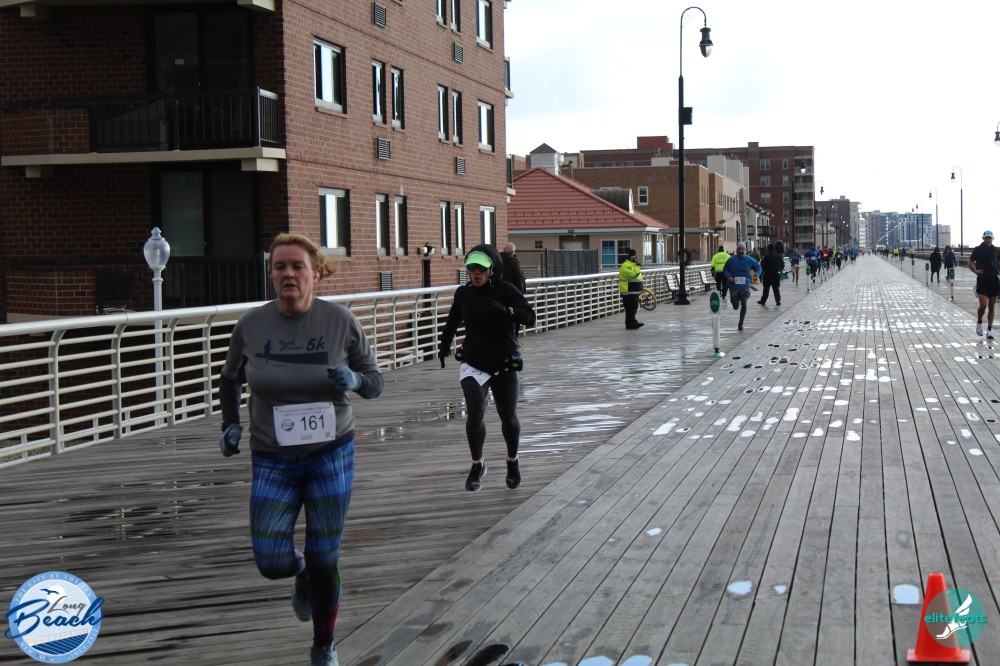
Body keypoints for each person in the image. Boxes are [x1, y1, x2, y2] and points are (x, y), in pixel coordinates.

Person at [218, 233, 385, 666]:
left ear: (316, 274)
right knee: (271, 559)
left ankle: (323, 643)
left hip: (331, 451)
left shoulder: (340, 321)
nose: (288, 274)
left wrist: (355, 380)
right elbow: (230, 379)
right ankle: (301, 571)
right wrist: (231, 424)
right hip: (272, 455)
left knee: (325, 555)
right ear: (271, 274)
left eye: (297, 266)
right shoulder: (251, 325)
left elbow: (375, 383)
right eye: (280, 267)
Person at [438, 246, 536, 492]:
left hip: (503, 361)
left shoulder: (506, 290)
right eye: (471, 268)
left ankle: (512, 461)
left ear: (491, 269)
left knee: (508, 416)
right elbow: (452, 321)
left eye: (481, 268)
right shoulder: (464, 293)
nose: (476, 273)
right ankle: (477, 464)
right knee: (475, 413)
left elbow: (529, 316)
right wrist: (444, 346)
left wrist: (507, 311)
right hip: (474, 360)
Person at [723, 242, 762, 332]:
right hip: (734, 285)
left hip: (745, 284)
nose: (741, 251)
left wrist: (756, 275)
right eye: (739, 249)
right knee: (735, 306)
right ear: (737, 250)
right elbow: (725, 269)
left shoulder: (749, 259)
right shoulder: (731, 260)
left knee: (744, 302)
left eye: (742, 249)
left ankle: (741, 323)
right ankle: (737, 300)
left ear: (745, 250)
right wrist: (729, 276)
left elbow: (758, 268)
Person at [968, 230, 1000, 339]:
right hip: (982, 280)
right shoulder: (978, 249)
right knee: (983, 305)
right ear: (983, 238)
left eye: (990, 238)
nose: (988, 240)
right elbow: (969, 262)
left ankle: (989, 330)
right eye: (986, 238)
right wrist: (975, 271)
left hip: (994, 280)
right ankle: (979, 322)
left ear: (992, 239)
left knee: (991, 306)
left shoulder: (997, 250)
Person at [499, 242, 527, 340]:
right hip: (513, 295)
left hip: (500, 295)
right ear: (513, 252)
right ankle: (514, 339)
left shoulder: (497, 262)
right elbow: (519, 280)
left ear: (503, 250)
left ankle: (504, 338)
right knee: (515, 316)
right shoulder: (514, 262)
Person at [618, 249, 644, 330]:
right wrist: (637, 267)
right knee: (630, 308)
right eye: (632, 257)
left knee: (634, 307)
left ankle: (632, 322)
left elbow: (638, 277)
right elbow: (632, 275)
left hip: (634, 291)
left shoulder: (634, 266)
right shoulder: (626, 265)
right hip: (628, 291)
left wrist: (636, 266)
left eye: (635, 257)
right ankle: (631, 323)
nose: (634, 259)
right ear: (628, 257)